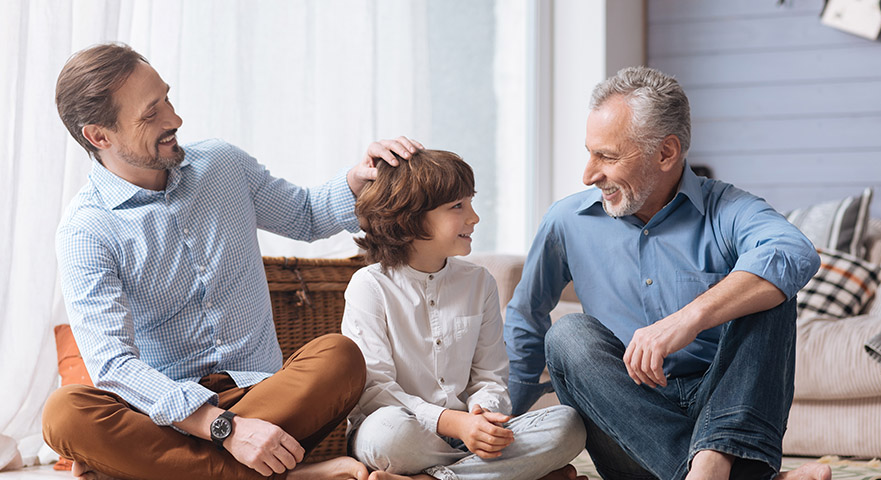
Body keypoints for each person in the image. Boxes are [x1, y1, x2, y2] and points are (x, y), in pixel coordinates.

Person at [43, 42, 421, 480]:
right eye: (151, 114)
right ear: (99, 136)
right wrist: (223, 429)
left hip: (266, 398)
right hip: (170, 417)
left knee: (340, 356)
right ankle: (292, 474)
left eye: (166, 97)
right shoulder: (86, 231)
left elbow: (306, 215)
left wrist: (358, 178)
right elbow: (113, 366)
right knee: (64, 413)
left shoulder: (222, 164)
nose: (174, 120)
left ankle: (154, 471)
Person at [503, 66, 833, 480]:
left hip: (727, 418)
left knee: (770, 286)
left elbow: (794, 251)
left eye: (606, 156)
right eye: (589, 152)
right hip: (628, 430)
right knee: (566, 334)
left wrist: (688, 319)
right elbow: (525, 322)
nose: (588, 174)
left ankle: (713, 458)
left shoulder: (726, 209)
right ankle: (717, 470)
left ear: (665, 153)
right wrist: (495, 428)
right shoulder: (567, 220)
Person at [340, 149, 588, 480]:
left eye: (470, 202)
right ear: (410, 217)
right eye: (458, 206)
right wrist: (454, 422)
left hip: (465, 438)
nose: (474, 217)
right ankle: (509, 474)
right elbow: (375, 390)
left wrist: (482, 414)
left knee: (568, 425)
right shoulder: (369, 286)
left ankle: (430, 478)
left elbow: (491, 376)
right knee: (390, 433)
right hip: (399, 431)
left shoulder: (479, 282)